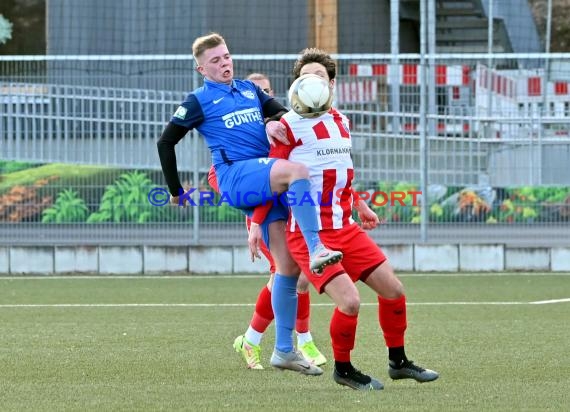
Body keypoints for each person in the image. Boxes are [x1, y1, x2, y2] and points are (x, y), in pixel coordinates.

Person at [249, 48, 439, 390]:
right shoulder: (286, 126)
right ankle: (344, 370)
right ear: (295, 85)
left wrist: (361, 204)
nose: (312, 82)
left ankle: (398, 362)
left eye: (319, 77)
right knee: (350, 302)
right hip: (309, 237)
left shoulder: (340, 120)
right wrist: (255, 225)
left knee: (394, 291)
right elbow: (272, 178)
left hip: (346, 228)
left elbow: (339, 176)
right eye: (304, 77)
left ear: (332, 84)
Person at [156, 33, 341, 376]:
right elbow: (165, 142)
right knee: (298, 171)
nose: (224, 63)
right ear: (201, 69)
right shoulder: (197, 101)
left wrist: (272, 121)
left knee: (287, 268)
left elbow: (283, 112)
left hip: (265, 177)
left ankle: (284, 350)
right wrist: (175, 190)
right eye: (215, 61)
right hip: (235, 176)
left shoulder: (248, 90)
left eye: (226, 56)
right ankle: (316, 246)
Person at [207, 72, 326, 369]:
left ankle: (255, 340)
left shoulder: (282, 127)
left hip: (291, 208)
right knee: (290, 276)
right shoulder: (239, 139)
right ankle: (299, 341)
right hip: (264, 215)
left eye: (266, 92)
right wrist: (255, 221)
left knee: (292, 276)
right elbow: (217, 177)